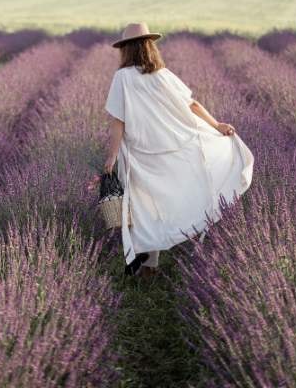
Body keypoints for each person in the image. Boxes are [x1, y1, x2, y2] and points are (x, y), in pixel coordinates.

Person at [95, 22, 254, 277]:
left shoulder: (122, 78)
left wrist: (112, 155)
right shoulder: (163, 74)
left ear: (126, 49)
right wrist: (217, 125)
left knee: (144, 207)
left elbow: (118, 120)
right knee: (179, 196)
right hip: (172, 149)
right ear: (149, 46)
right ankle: (185, 241)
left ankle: (148, 267)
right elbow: (192, 105)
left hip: (140, 154)